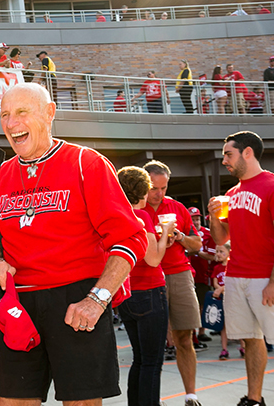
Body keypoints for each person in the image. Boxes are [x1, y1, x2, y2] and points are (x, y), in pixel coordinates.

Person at [0, 83, 147, 405]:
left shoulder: (86, 163)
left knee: (81, 403)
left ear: (49, 112)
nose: (11, 124)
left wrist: (97, 300)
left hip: (76, 300)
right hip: (18, 307)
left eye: (22, 112)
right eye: (4, 115)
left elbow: (130, 237)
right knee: (13, 401)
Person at [208, 131, 274, 406]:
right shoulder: (232, 193)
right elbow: (220, 238)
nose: (224, 160)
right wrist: (214, 217)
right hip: (237, 276)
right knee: (250, 340)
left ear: (247, 152)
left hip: (266, 277)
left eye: (228, 154)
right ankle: (253, 399)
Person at [142, 160, 204, 406]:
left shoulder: (177, 207)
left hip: (178, 274)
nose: (158, 194)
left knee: (185, 338)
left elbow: (198, 245)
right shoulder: (135, 207)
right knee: (152, 343)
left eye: (163, 188)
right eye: (153, 188)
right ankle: (152, 397)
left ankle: (191, 395)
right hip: (148, 276)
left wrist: (179, 238)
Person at [116, 167, 174, 406]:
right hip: (149, 291)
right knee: (151, 361)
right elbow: (153, 259)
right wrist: (165, 235)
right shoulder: (142, 216)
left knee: (139, 360)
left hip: (126, 293)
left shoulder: (115, 215)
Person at [188, 207, 215, 345]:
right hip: (188, 273)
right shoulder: (184, 233)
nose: (196, 221)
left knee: (203, 305)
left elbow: (214, 256)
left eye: (197, 219)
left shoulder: (208, 234)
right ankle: (193, 335)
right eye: (193, 219)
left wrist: (197, 252)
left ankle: (202, 332)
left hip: (203, 274)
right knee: (192, 306)